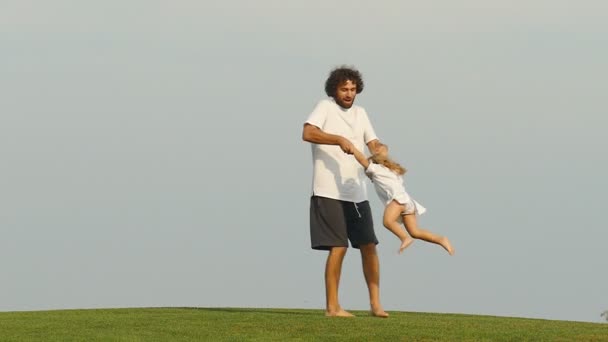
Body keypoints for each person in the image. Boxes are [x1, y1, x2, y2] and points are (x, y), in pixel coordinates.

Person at [302, 66, 387, 318]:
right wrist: (338, 139)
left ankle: (375, 304)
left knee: (369, 245)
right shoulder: (325, 107)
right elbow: (308, 132)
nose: (349, 94)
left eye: (352, 89)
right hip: (328, 191)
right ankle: (333, 307)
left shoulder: (361, 113)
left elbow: (373, 143)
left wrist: (381, 150)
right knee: (338, 247)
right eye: (344, 89)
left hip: (357, 192)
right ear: (334, 90)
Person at [352, 143, 455, 255]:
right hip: (407, 202)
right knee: (415, 232)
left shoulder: (376, 170)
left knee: (387, 222)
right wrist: (381, 151)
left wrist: (352, 149)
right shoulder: (393, 171)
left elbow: (362, 159)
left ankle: (404, 237)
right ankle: (441, 239)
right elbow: (383, 153)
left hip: (397, 200)